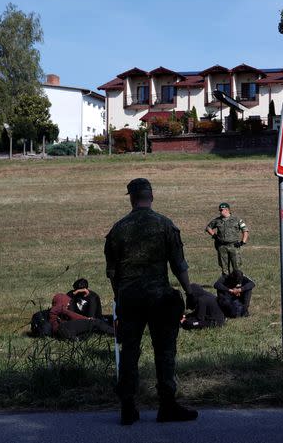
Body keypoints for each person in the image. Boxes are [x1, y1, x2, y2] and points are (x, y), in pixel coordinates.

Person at [105, 178, 198, 425]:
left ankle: (127, 406)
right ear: (151, 197)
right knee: (165, 351)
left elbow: (112, 272)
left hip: (129, 299)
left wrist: (119, 296)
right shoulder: (165, 225)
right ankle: (167, 405)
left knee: (130, 351)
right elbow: (179, 264)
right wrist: (189, 291)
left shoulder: (118, 229)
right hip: (159, 298)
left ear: (132, 199)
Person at [205, 202, 249, 275]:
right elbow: (208, 227)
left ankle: (238, 283)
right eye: (220, 210)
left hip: (234, 246)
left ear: (227, 210)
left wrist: (242, 242)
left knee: (237, 267)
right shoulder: (217, 220)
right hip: (222, 246)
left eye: (222, 210)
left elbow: (245, 230)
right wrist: (214, 235)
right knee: (224, 267)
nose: (220, 211)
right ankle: (226, 283)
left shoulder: (237, 219)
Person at [48, 292, 114, 339]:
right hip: (64, 329)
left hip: (64, 330)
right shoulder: (58, 309)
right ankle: (116, 333)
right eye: (66, 302)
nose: (68, 304)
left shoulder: (59, 311)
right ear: (61, 302)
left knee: (93, 327)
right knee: (95, 322)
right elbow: (73, 315)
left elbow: (73, 317)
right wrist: (87, 319)